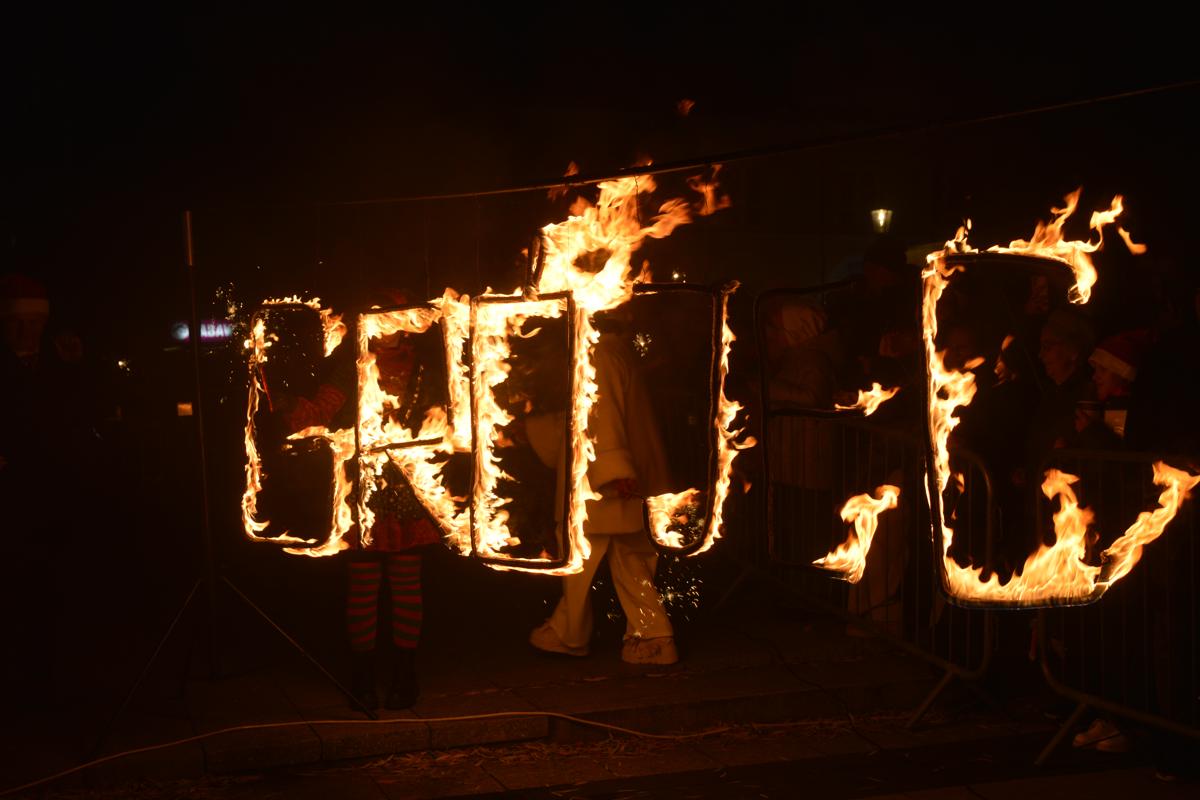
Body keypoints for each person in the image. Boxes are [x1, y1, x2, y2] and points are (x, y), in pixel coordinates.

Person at [527, 327, 678, 665]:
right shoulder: (612, 350)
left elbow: (604, 415)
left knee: (595, 554)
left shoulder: (601, 355)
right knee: (612, 555)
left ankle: (649, 636)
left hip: (602, 481)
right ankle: (572, 630)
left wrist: (615, 473)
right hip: (610, 475)